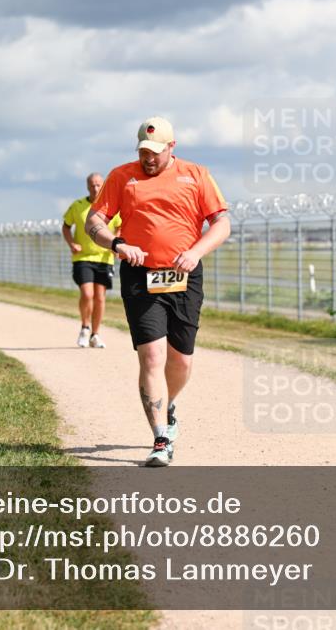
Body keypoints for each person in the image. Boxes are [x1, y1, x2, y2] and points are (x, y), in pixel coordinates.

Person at [85, 116, 230, 466]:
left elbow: (222, 223)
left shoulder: (196, 175)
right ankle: (161, 438)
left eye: (156, 152)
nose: (149, 159)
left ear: (172, 147)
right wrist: (118, 244)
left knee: (180, 360)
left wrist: (195, 252)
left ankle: (170, 403)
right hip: (140, 277)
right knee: (152, 357)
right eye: (143, 152)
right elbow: (94, 222)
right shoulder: (122, 176)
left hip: (184, 276)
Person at [63, 173, 122, 348]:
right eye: (92, 185)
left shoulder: (111, 205)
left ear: (103, 186)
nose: (95, 188)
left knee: (100, 298)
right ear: (87, 187)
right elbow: (66, 226)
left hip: (105, 257)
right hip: (83, 257)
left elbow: (119, 225)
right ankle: (84, 327)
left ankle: (95, 334)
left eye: (98, 185)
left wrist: (116, 243)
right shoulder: (78, 206)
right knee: (87, 294)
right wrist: (71, 243)